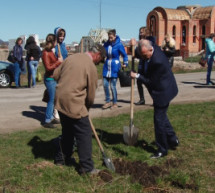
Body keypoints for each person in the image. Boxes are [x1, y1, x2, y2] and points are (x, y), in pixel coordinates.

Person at [53, 43, 106, 175]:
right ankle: (86, 168)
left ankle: (61, 159)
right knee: (84, 134)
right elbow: (91, 94)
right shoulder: (91, 67)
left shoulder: (71, 58)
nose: (100, 63)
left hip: (60, 100)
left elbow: (55, 74)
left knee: (68, 131)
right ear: (97, 55)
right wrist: (86, 108)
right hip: (74, 103)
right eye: (101, 60)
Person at [130, 37, 179, 159]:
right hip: (164, 88)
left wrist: (137, 76)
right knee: (162, 118)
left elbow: (150, 82)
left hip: (163, 92)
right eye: (142, 54)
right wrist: (134, 45)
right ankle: (173, 140)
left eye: (145, 55)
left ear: (151, 50)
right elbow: (144, 46)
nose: (143, 57)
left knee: (158, 121)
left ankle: (162, 149)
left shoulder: (158, 62)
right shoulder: (151, 47)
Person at [102, 29, 128, 109]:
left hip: (115, 66)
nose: (110, 39)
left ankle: (115, 103)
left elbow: (125, 55)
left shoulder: (119, 45)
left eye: (111, 37)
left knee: (112, 86)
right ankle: (108, 101)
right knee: (105, 84)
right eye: (109, 37)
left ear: (115, 36)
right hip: (107, 66)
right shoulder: (106, 44)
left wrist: (125, 63)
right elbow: (102, 52)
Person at [42, 34, 63, 128]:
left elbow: (54, 63)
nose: (56, 43)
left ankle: (50, 117)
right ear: (53, 42)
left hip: (53, 78)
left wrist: (58, 60)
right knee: (51, 99)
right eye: (55, 42)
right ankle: (47, 120)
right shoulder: (46, 52)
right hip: (49, 79)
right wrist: (58, 61)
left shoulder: (50, 51)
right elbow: (48, 67)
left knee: (53, 99)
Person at [135, 27, 150, 105]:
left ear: (146, 33)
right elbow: (137, 54)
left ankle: (156, 98)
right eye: (140, 32)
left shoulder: (148, 41)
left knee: (148, 83)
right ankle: (142, 99)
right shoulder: (139, 42)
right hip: (141, 64)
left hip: (147, 64)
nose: (140, 33)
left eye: (142, 32)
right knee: (139, 81)